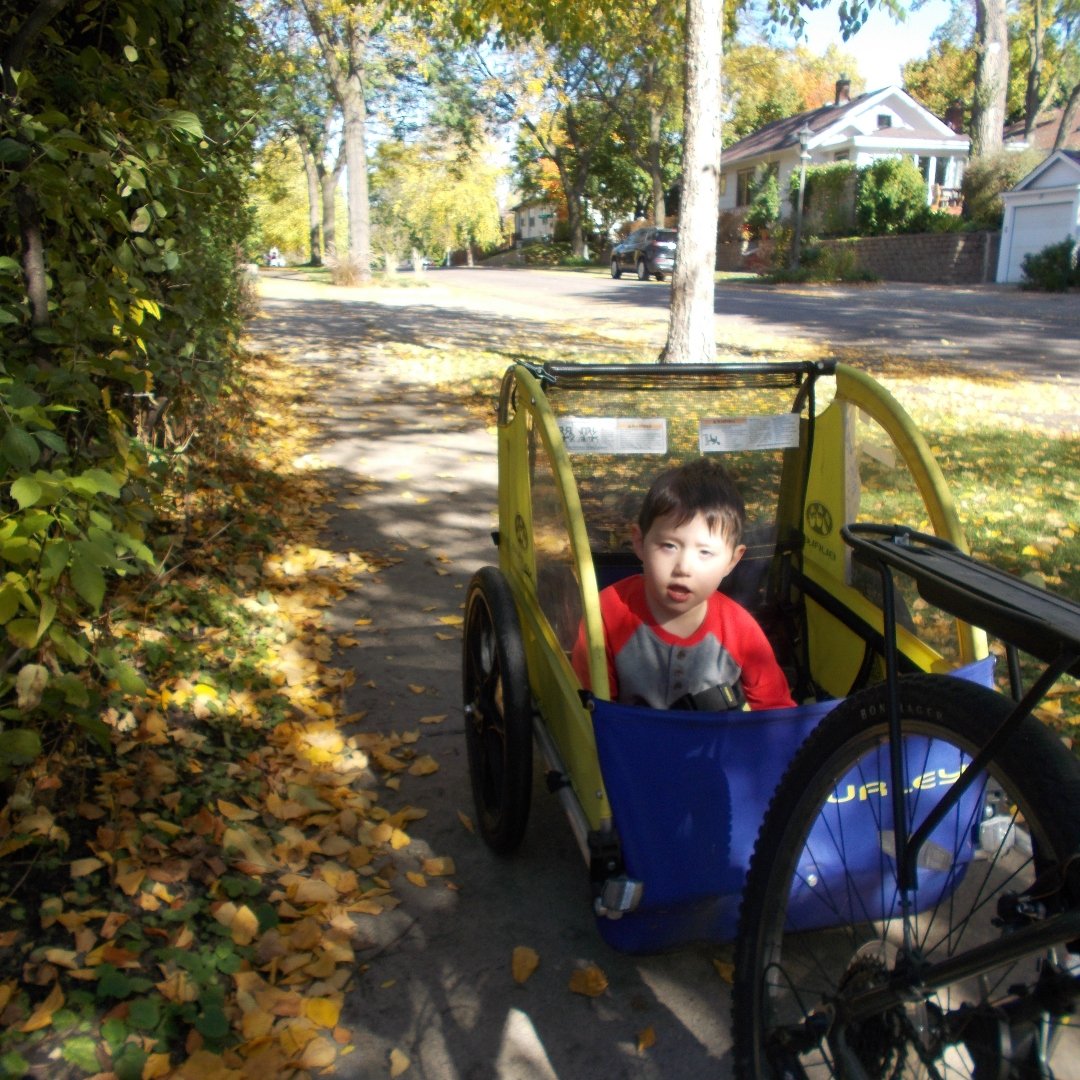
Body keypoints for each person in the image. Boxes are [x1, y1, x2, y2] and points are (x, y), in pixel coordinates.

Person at [571, 457, 795, 712]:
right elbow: (592, 715)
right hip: (630, 748)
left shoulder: (740, 630)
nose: (684, 568)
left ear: (732, 561)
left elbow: (777, 713)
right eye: (669, 546)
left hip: (712, 749)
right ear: (639, 542)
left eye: (705, 553)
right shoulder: (608, 613)